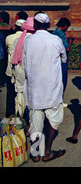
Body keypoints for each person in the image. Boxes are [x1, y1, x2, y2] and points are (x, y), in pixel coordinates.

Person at [23, 13, 67, 162]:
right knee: (53, 120)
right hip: (52, 89)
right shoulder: (56, 40)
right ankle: (47, 152)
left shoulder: (28, 40)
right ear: (48, 25)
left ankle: (36, 153)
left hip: (34, 89)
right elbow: (63, 58)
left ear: (35, 24)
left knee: (36, 120)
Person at [11, 17, 35, 119]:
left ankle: (20, 120)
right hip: (32, 72)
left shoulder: (17, 40)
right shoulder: (34, 39)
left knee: (20, 95)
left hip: (19, 71)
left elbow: (12, 58)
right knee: (31, 97)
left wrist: (12, 75)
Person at [5, 18, 25, 116]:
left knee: (10, 95)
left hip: (10, 71)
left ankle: (10, 116)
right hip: (22, 72)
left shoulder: (9, 37)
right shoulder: (27, 38)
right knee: (22, 96)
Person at [53, 18, 73, 104]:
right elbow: (67, 48)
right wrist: (71, 41)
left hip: (55, 60)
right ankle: (59, 100)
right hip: (62, 61)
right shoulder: (60, 34)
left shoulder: (54, 33)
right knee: (62, 81)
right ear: (65, 26)